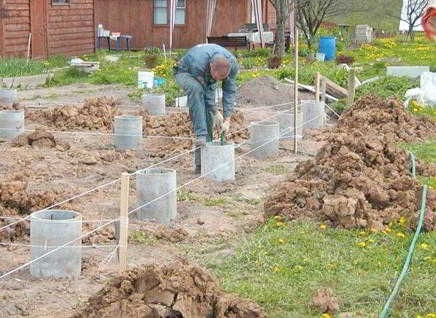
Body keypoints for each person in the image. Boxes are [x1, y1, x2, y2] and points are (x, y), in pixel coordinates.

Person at [174, 44, 239, 173]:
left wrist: (227, 119)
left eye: (221, 79)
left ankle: (202, 165)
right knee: (197, 91)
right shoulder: (199, 63)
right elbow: (206, 94)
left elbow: (229, 91)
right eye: (216, 78)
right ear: (211, 67)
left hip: (205, 76)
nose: (218, 81)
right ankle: (201, 135)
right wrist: (215, 110)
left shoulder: (232, 65)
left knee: (208, 114)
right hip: (186, 71)